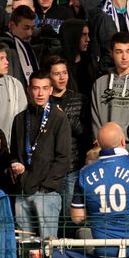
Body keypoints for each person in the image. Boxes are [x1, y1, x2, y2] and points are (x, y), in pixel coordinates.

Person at [70, 122, 129, 257]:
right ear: (123, 141)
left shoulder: (84, 173)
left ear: (98, 143)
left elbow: (77, 217)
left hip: (104, 250)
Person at [10, 70, 72, 238]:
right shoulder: (20, 119)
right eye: (36, 88)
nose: (40, 93)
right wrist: (15, 164)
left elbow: (64, 158)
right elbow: (14, 153)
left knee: (47, 246)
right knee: (25, 245)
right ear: (29, 90)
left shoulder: (59, 117)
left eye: (44, 88)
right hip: (23, 190)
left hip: (47, 193)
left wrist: (46, 186)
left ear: (51, 90)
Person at [45, 55, 89, 219]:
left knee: (71, 218)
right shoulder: (43, 101)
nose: (62, 77)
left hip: (73, 167)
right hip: (49, 169)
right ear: (48, 76)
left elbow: (85, 135)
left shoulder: (80, 99)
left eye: (64, 72)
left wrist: (65, 119)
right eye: (57, 74)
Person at [0, 41, 27, 146]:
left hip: (8, 148)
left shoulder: (14, 85)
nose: (7, 62)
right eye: (1, 59)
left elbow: (22, 118)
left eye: (6, 58)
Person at [0, 5, 39, 88]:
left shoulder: (30, 44)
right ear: (12, 25)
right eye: (25, 28)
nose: (29, 33)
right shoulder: (2, 48)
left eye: (32, 28)